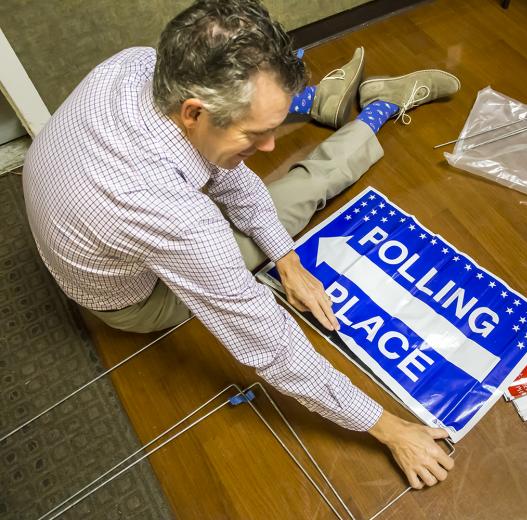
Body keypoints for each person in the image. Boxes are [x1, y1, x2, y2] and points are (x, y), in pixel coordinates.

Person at [23, 0, 460, 489]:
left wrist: (287, 258)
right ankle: (377, 110)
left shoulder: (138, 63)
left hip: (73, 225)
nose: (270, 146)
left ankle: (315, 101)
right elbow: (267, 342)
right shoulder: (177, 218)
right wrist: (388, 427)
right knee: (296, 193)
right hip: (130, 304)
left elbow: (226, 175)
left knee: (243, 178)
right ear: (193, 112)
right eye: (259, 133)